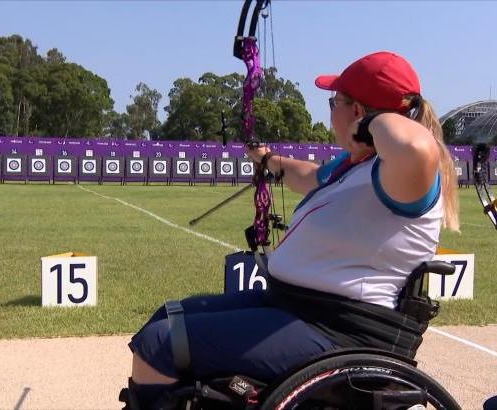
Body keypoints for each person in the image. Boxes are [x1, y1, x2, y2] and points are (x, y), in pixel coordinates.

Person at [124, 51, 459, 409]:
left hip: (337, 331)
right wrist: (268, 160)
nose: (331, 111)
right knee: (168, 316)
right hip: (296, 308)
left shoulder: (402, 177)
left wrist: (372, 123)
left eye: (336, 102)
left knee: (161, 343)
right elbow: (309, 175)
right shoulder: (359, 167)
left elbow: (415, 146)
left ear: (359, 112)